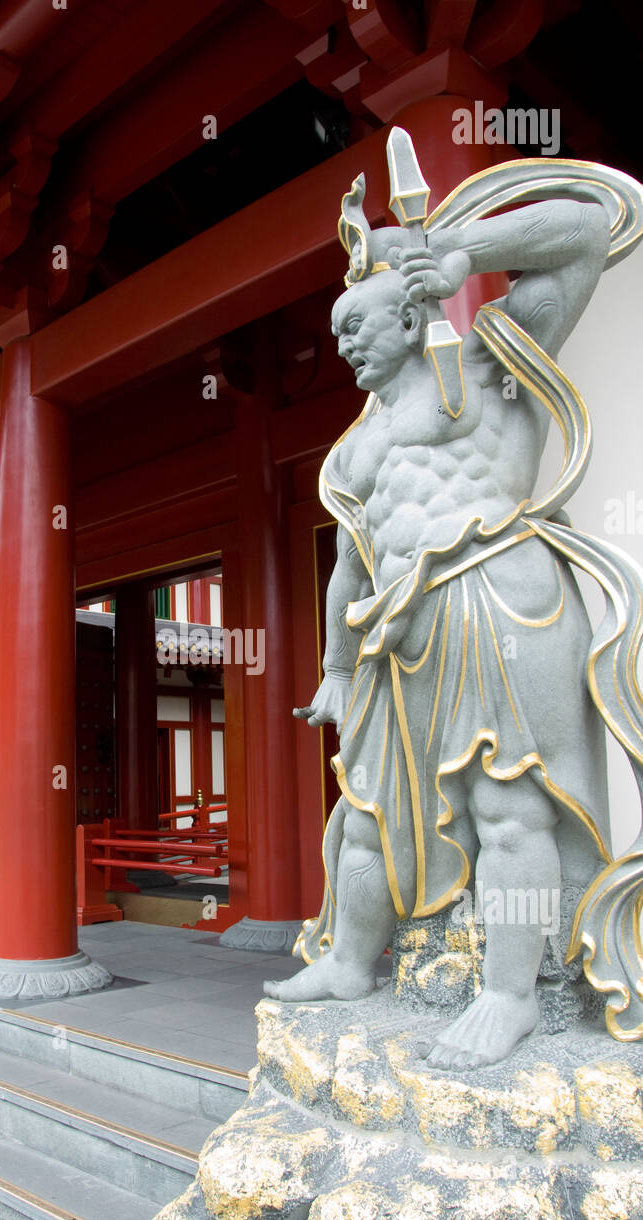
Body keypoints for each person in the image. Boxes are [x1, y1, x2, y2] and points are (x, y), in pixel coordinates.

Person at [265, 134, 643, 1068]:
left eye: (357, 323)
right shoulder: (352, 449)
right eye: (337, 332)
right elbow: (349, 565)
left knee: (508, 805)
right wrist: (337, 668)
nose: (343, 342)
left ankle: (511, 993)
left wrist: (469, 251)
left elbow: (588, 231)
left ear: (409, 309)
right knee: (361, 809)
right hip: (396, 630)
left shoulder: (483, 369)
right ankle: (352, 959)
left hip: (494, 596)